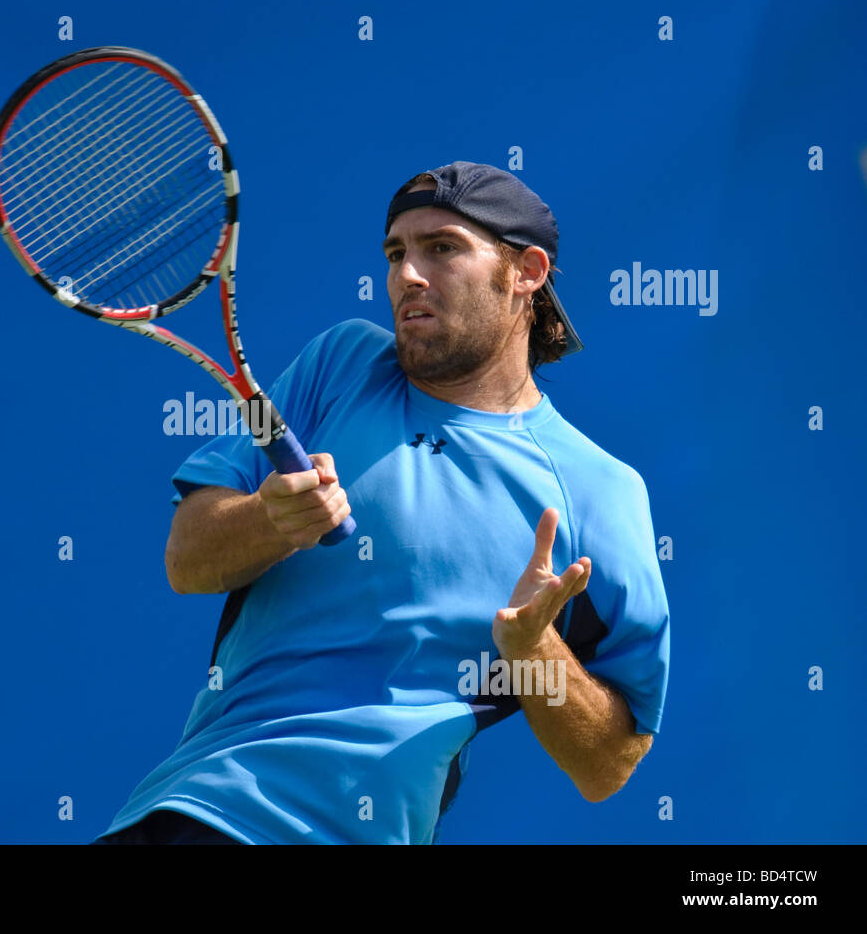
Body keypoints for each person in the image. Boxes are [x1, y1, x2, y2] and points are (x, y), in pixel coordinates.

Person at [92, 161, 670, 845]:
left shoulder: (601, 491)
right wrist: (271, 520)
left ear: (528, 272)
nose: (407, 275)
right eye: (396, 252)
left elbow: (609, 765)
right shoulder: (342, 363)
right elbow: (187, 559)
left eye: (443, 248)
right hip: (207, 810)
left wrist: (533, 651)